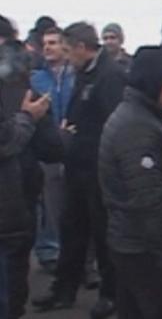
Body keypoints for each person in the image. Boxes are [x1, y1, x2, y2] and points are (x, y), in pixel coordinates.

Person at [33, 22, 127, 318]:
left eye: (67, 50)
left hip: (98, 168)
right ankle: (63, 290)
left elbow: (114, 124)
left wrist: (79, 137)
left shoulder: (109, 75)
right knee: (71, 230)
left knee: (102, 235)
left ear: (81, 48)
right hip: (77, 167)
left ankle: (111, 294)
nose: (64, 56)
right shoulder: (85, 73)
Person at [98, 47, 162, 319]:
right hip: (145, 251)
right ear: (152, 82)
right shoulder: (137, 128)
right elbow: (147, 201)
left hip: (133, 246)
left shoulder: (138, 116)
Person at [0, 15, 52, 319]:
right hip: (14, 200)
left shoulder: (20, 79)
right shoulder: (23, 86)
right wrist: (29, 117)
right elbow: (7, 142)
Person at [30, 27, 75, 273]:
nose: (48, 47)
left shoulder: (75, 77)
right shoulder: (36, 78)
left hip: (72, 144)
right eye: (45, 43)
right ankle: (48, 251)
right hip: (46, 147)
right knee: (48, 201)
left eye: (54, 43)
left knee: (72, 201)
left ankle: (74, 253)